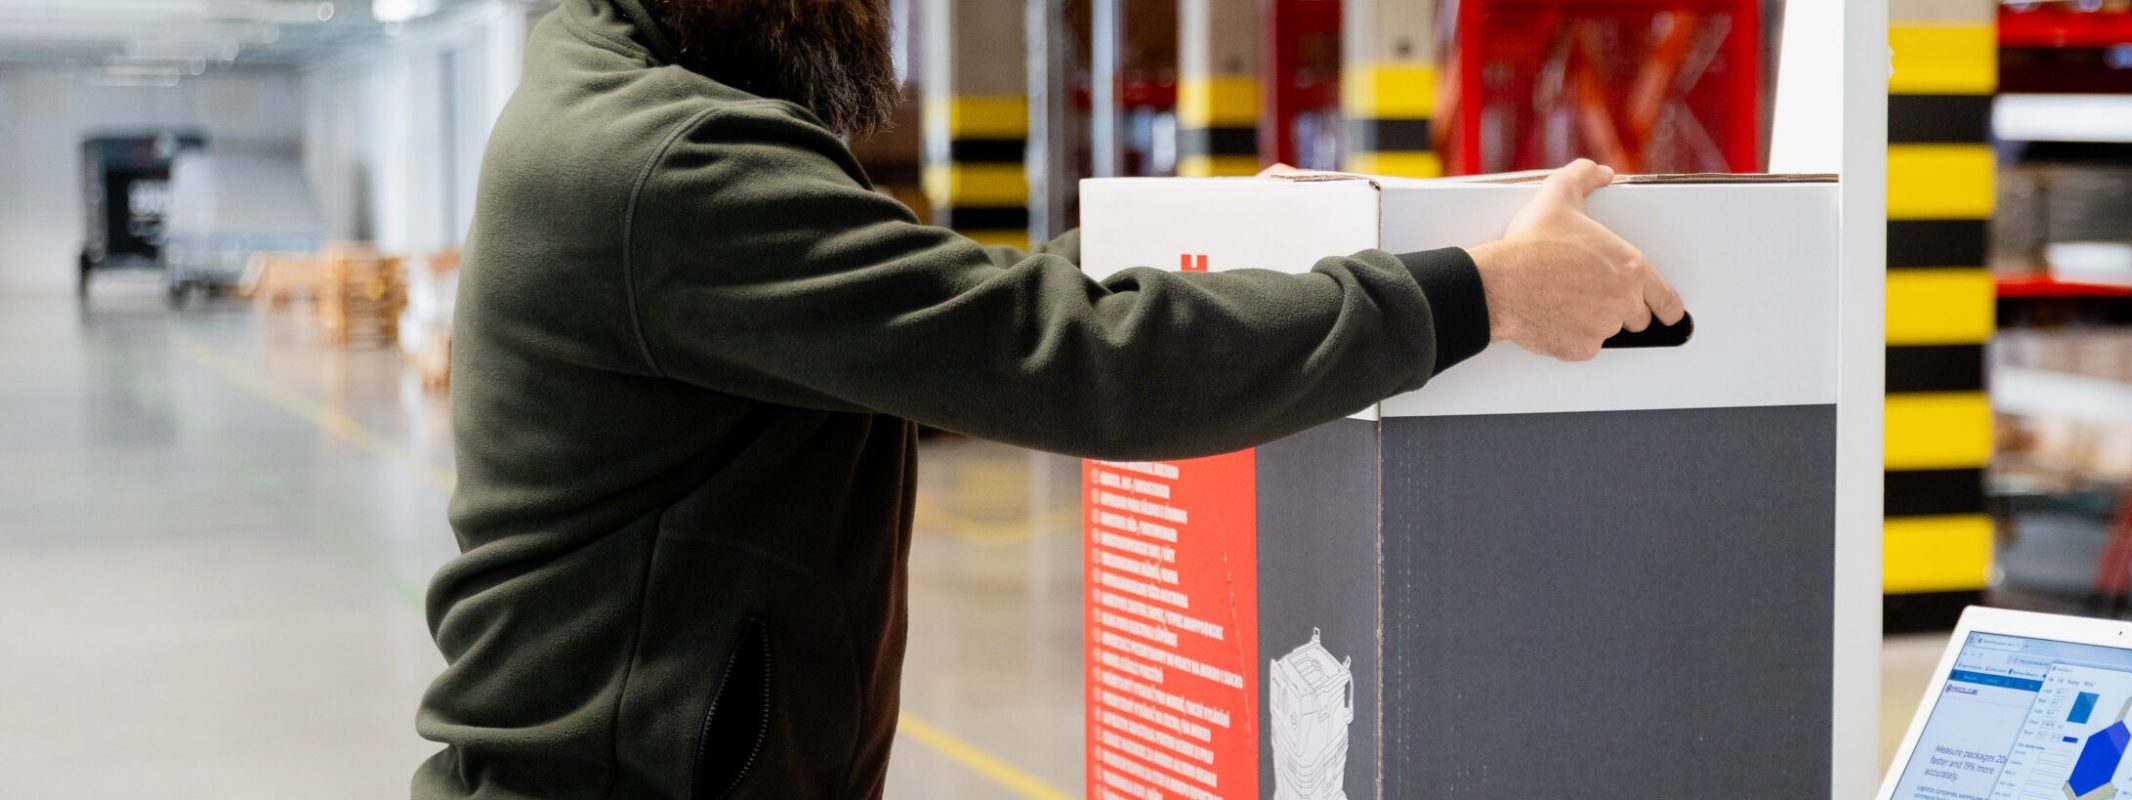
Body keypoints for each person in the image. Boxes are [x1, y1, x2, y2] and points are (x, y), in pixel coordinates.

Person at [413, 0, 1684, 798]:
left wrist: (1217, 229)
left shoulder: (621, 107)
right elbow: (1072, 359)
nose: (871, 19)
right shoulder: (667, 163)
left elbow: (944, 319)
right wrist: (1481, 293)